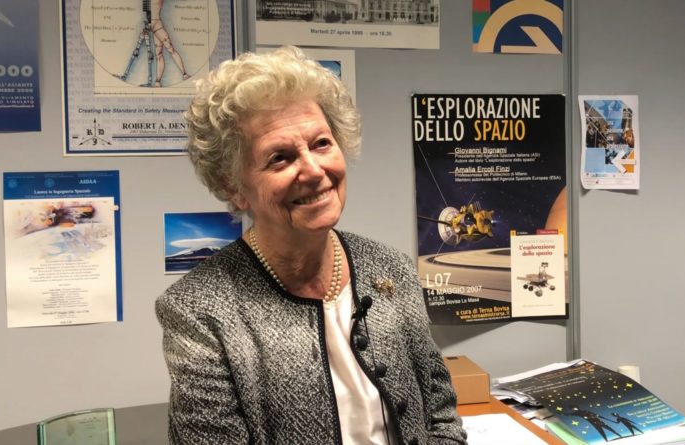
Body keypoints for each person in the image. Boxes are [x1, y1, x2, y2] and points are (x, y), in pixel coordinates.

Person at [155, 46, 467, 444]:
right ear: (233, 187)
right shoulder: (200, 312)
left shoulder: (391, 269)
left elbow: (441, 416)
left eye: (321, 143)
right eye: (280, 158)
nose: (314, 170)